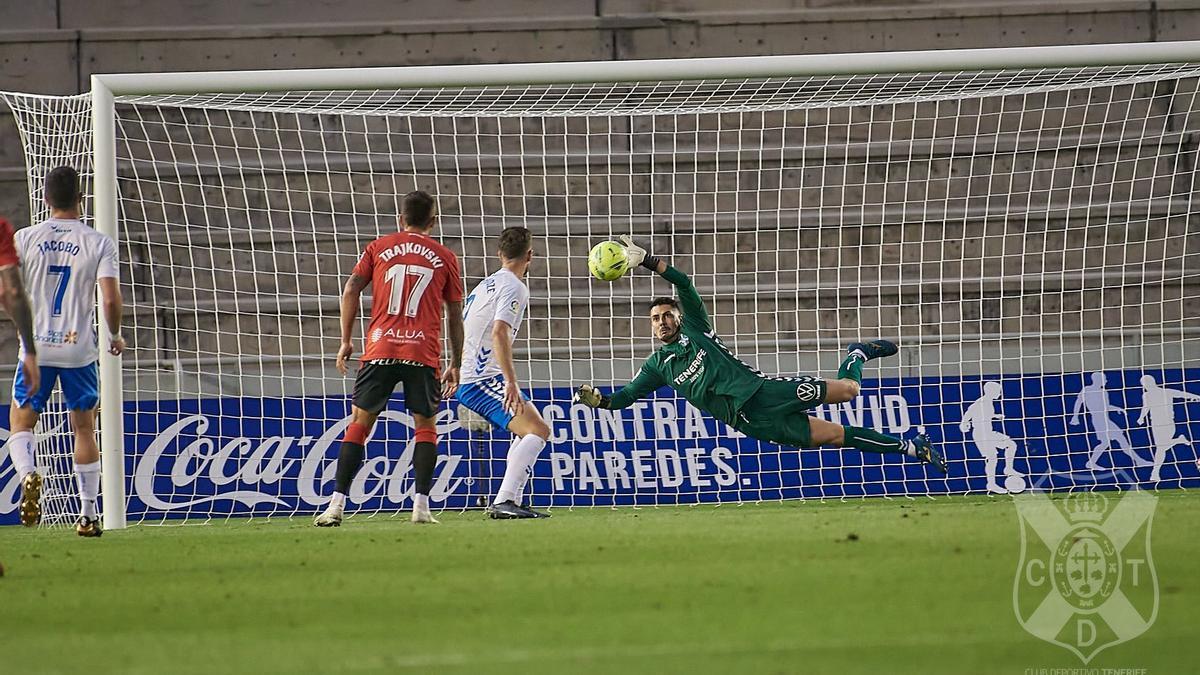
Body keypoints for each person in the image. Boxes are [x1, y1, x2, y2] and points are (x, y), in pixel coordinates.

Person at [573, 236, 946, 473]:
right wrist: (599, 400)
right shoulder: (658, 366)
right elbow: (624, 398)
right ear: (651, 327)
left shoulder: (695, 327)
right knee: (835, 437)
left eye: (667, 314)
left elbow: (684, 282)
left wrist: (648, 260)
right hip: (750, 421)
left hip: (762, 391)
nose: (662, 321)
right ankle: (913, 448)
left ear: (678, 316)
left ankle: (858, 353)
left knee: (849, 390)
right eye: (655, 319)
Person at [315, 190, 464, 527]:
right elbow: (455, 312)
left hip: (380, 348)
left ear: (401, 219)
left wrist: (345, 341)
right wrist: (455, 362)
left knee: (360, 424)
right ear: (433, 221)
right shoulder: (445, 256)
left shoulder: (378, 247)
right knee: (425, 426)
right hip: (422, 351)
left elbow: (351, 288)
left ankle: (335, 506)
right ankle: (421, 508)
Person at [7, 167, 124, 536]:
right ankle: (88, 514)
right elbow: (109, 297)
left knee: (21, 423)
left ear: (45, 198)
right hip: (79, 349)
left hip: (36, 348)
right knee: (85, 428)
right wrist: (115, 335)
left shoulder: (25, 238)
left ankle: (28, 474)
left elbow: (9, 288)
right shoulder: (98, 241)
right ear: (80, 199)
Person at [455, 227, 551, 519]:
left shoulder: (484, 285)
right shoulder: (514, 287)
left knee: (526, 433)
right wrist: (510, 381)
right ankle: (504, 500)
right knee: (538, 431)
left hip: (473, 374)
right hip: (482, 379)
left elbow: (465, 328)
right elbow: (499, 333)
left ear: (499, 254)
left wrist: (453, 365)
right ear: (530, 255)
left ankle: (512, 501)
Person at [1069, 371, 1150, 470]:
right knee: (1118, 440)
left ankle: (1091, 463)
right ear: (1098, 380)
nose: (1106, 381)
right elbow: (1078, 402)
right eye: (1104, 379)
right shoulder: (1087, 390)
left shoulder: (1104, 392)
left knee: (1108, 442)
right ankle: (1139, 461)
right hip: (1098, 420)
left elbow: (1106, 407)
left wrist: (1117, 408)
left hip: (1105, 419)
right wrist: (1075, 416)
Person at [1137, 374, 1200, 482]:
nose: (1145, 386)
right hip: (1155, 424)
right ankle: (1178, 440)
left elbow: (1181, 394)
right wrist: (1141, 417)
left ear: (1151, 383)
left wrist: (1196, 396)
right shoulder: (1146, 395)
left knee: (1160, 448)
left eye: (1146, 383)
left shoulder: (1166, 392)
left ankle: (1155, 473)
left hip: (1168, 423)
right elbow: (1146, 407)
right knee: (1161, 448)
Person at [960, 381, 1021, 493]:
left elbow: (983, 414)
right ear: (991, 391)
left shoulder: (988, 402)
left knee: (1011, 445)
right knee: (992, 458)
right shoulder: (981, 402)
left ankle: (1008, 468)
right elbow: (970, 411)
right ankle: (991, 484)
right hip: (981, 434)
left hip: (988, 432)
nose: (1000, 393)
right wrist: (964, 423)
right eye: (998, 391)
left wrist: (995, 416)